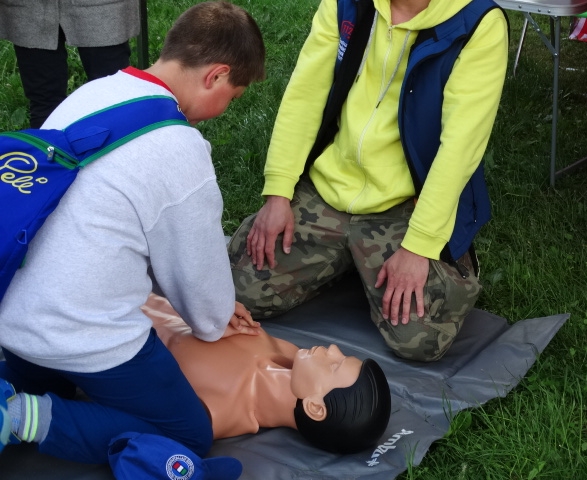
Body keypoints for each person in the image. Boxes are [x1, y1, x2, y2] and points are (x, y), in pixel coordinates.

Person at [0, 1, 265, 464]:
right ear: (217, 75)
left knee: (56, 376)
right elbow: (205, 315)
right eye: (235, 95)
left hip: (13, 316)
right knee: (187, 433)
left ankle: (21, 386)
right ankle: (21, 417)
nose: (226, 109)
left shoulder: (95, 91)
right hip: (77, 334)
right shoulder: (181, 150)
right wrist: (218, 310)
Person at [228, 0, 509, 362]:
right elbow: (304, 96)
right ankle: (350, 259)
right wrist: (278, 194)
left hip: (405, 206)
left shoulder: (477, 22)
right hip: (327, 189)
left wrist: (420, 246)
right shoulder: (346, 3)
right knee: (238, 294)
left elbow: (460, 148)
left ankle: (445, 264)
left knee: (419, 339)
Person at [142, 293, 391, 454]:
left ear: (315, 408)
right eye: (342, 355)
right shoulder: (286, 352)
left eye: (334, 365)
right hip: (138, 287)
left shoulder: (219, 410)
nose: (334, 348)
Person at [0, 0, 140, 129]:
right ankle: (49, 146)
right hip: (29, 8)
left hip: (102, 6)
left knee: (112, 99)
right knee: (44, 104)